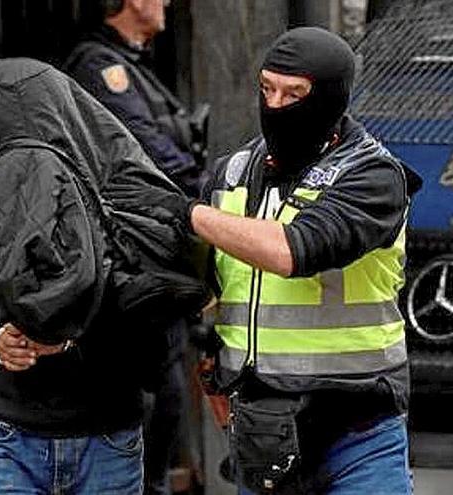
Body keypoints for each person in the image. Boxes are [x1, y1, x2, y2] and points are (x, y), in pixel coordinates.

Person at [155, 27, 422, 494]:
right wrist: (212, 372)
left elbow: (292, 250)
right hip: (264, 434)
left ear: (333, 99)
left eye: (294, 93)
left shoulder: (375, 176)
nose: (275, 105)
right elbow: (208, 288)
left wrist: (189, 214)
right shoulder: (232, 173)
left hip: (356, 432)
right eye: (267, 88)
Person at [65, 3, 207, 492]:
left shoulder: (134, 65)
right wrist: (205, 193)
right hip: (132, 260)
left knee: (167, 397)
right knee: (153, 400)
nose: (166, 2)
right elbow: (143, 150)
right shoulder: (100, 67)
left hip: (159, 254)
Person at [65, 0, 207, 198]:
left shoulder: (130, 61)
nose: (166, 3)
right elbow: (144, 143)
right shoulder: (100, 64)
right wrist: (204, 189)